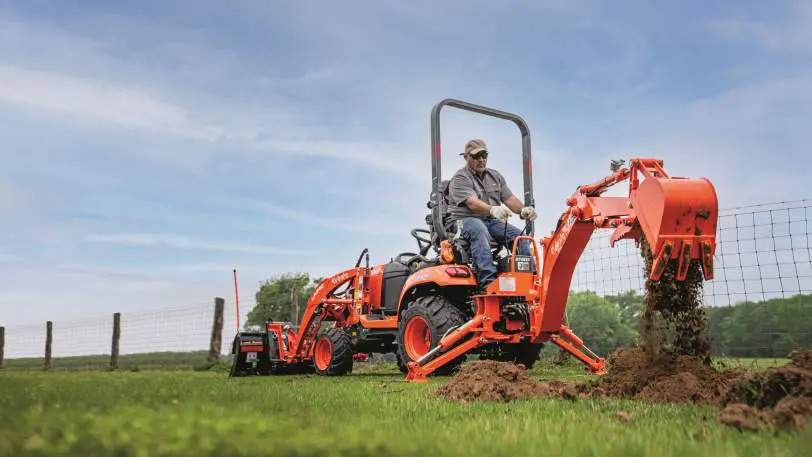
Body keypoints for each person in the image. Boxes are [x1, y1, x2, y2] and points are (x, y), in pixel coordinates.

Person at [446, 139, 537, 287]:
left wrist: (523, 210)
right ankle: (488, 281)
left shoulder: (495, 176)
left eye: (484, 155)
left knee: (520, 237)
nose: (481, 159)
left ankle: (528, 280)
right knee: (478, 228)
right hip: (462, 221)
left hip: (489, 221)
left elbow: (509, 198)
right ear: (466, 157)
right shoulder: (460, 178)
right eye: (476, 156)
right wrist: (492, 209)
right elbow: (471, 202)